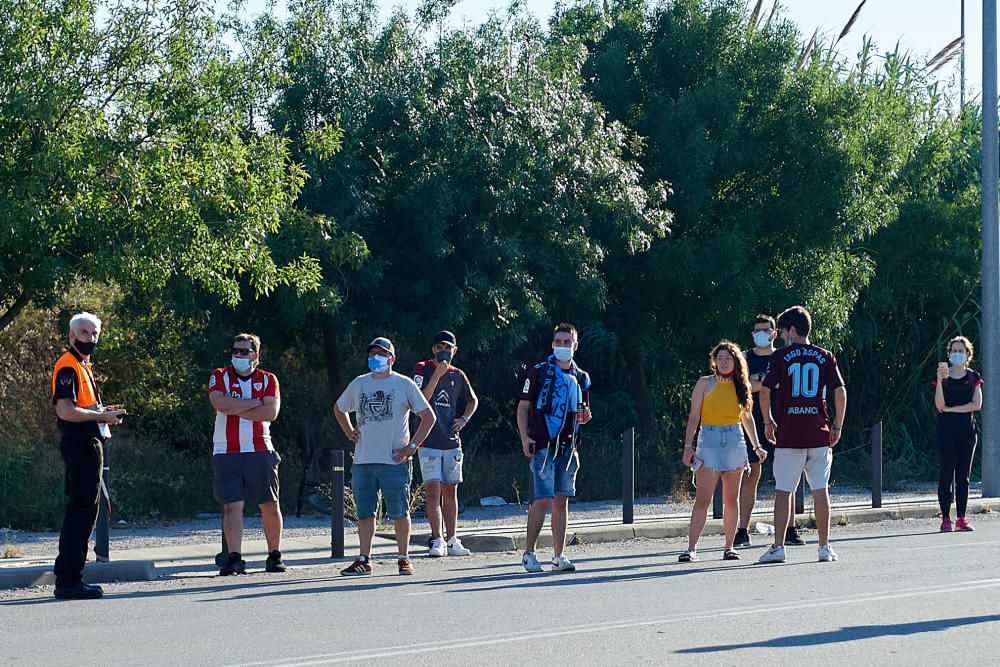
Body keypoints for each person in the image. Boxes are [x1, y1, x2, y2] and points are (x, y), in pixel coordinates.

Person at [335, 337, 436, 575]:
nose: (375, 358)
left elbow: (428, 417)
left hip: (394, 460)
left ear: (392, 358)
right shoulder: (359, 383)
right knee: (364, 513)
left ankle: (403, 558)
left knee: (400, 512)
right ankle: (364, 559)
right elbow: (339, 408)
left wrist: (412, 446)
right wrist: (349, 430)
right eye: (372, 353)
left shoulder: (404, 384)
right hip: (363, 460)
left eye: (381, 353)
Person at [758, 306, 847, 564]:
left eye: (784, 332)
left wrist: (768, 420)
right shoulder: (825, 355)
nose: (783, 337)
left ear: (792, 330)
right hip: (819, 432)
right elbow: (840, 391)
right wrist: (838, 425)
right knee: (821, 489)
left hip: (789, 433)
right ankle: (824, 546)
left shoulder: (781, 357)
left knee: (783, 490)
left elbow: (765, 391)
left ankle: (778, 547)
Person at [51, 312, 126, 600]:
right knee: (81, 511)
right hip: (80, 443)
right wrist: (101, 415)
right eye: (84, 333)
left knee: (85, 510)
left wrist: (103, 413)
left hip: (87, 440)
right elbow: (66, 410)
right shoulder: (68, 365)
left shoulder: (82, 364)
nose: (90, 339)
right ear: (71, 336)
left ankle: (70, 577)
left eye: (94, 334)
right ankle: (69, 580)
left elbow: (83, 407)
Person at [679, 341, 767, 562]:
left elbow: (746, 417)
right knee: (703, 498)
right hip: (709, 439)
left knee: (731, 498)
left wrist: (756, 446)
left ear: (735, 361)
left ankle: (729, 546)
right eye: (720, 358)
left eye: (728, 358)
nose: (724, 362)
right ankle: (691, 548)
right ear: (714, 361)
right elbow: (694, 416)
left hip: (735, 441)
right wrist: (688, 446)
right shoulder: (704, 383)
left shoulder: (742, 385)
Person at [517, 323, 593, 573]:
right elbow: (523, 407)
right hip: (543, 444)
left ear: (575, 346)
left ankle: (558, 555)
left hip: (569, 447)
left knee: (562, 500)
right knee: (543, 498)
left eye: (567, 342)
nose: (562, 346)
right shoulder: (538, 373)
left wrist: (585, 416)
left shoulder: (581, 377)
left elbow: (582, 411)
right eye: (558, 342)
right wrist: (524, 437)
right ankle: (529, 553)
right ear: (552, 344)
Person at [208, 333, 284, 576]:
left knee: (269, 504)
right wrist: (255, 404)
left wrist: (236, 406)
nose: (238, 356)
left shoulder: (268, 379)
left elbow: (270, 413)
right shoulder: (219, 375)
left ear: (256, 355)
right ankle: (235, 557)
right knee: (232, 506)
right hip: (226, 450)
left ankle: (274, 555)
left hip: (260, 449)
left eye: (244, 351)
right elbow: (221, 404)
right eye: (235, 351)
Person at [735, 315, 805, 548]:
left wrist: (760, 380)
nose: (759, 335)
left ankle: (791, 529)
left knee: (787, 477)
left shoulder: (783, 356)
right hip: (752, 423)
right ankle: (742, 530)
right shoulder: (744, 358)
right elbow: (745, 387)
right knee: (751, 476)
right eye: (756, 331)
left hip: (783, 421)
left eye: (764, 330)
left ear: (775, 333)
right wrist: (764, 381)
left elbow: (783, 384)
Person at [413, 330, 478, 557]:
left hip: (451, 441)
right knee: (433, 490)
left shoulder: (458, 374)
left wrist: (465, 418)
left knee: (451, 490)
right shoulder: (422, 368)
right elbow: (421, 400)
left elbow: (472, 399)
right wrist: (437, 376)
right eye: (440, 347)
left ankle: (452, 538)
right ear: (433, 349)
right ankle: (437, 539)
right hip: (428, 439)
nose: (444, 351)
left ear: (455, 351)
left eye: (448, 348)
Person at [934, 335, 983, 532]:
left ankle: (961, 517)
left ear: (968, 354)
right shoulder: (942, 378)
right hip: (945, 432)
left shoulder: (973, 377)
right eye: (954, 350)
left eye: (961, 351)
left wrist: (953, 409)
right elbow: (939, 405)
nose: (957, 354)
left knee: (963, 476)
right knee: (946, 474)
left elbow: (976, 404)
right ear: (948, 353)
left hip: (967, 433)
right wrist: (939, 379)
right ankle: (946, 518)